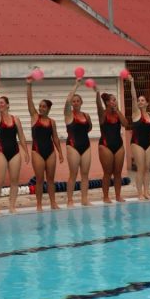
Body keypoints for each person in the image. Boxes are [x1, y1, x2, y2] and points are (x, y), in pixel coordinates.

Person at [0, 79, 29, 213]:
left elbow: (22, 136)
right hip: (1, 151)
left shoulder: (15, 119)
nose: (0, 105)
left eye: (2, 103)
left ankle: (12, 206)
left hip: (15, 151)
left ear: (8, 105)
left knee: (14, 181)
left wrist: (26, 152)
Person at [27, 78, 63, 211]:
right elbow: (29, 102)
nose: (41, 108)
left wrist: (60, 152)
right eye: (40, 106)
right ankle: (39, 205)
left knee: (51, 179)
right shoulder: (35, 117)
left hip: (50, 151)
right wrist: (29, 85)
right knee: (40, 179)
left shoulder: (52, 122)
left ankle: (53, 203)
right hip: (37, 151)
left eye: (43, 107)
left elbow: (55, 138)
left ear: (48, 109)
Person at [94, 81, 128, 203]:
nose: (114, 102)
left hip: (118, 145)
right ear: (107, 102)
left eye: (115, 100)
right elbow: (98, 105)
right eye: (112, 100)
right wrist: (97, 92)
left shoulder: (118, 114)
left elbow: (126, 124)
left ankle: (118, 196)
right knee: (107, 173)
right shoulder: (103, 114)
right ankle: (106, 197)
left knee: (118, 173)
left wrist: (118, 110)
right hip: (105, 146)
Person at [64, 77, 93, 207]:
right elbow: (67, 101)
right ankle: (70, 200)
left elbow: (89, 128)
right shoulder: (69, 115)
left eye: (77, 101)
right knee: (73, 174)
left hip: (86, 145)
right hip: (73, 146)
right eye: (73, 101)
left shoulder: (86, 115)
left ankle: (84, 199)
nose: (75, 103)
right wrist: (76, 85)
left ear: (81, 102)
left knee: (85, 174)